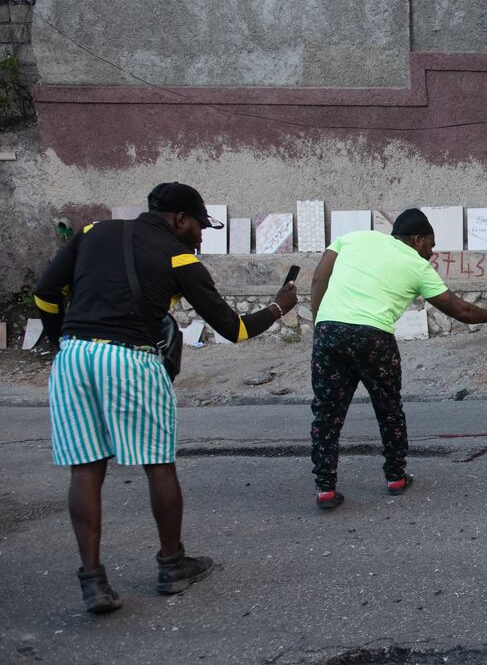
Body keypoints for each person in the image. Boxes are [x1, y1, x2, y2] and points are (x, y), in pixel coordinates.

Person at [33, 182, 299, 614]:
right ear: (179, 218)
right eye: (199, 226)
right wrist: (278, 308)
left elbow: (45, 296)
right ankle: (172, 565)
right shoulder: (179, 259)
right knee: (158, 465)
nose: (201, 236)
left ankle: (93, 580)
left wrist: (61, 342)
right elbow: (235, 330)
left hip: (74, 356)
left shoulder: (91, 233)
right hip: (131, 359)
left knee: (86, 467)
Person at [308, 208, 487, 509]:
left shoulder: (355, 238)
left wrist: (320, 323)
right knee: (388, 408)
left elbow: (319, 277)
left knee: (326, 414)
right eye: (431, 243)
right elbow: (461, 311)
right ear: (417, 239)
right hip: (374, 337)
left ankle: (325, 488)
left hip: (328, 332)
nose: (433, 250)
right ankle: (395, 477)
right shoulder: (417, 266)